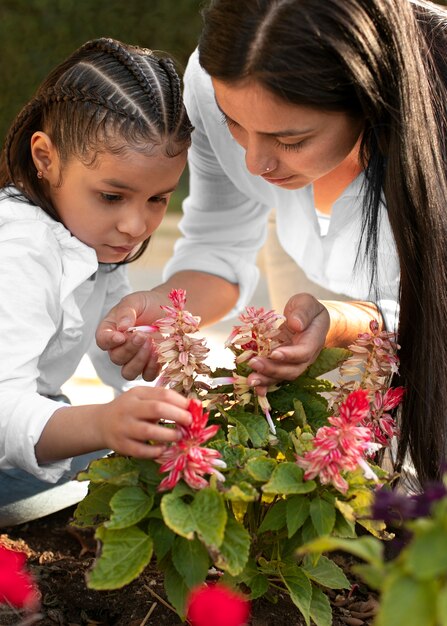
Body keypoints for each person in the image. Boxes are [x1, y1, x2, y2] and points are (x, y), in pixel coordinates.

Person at [96, 0, 447, 490]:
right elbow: (219, 241)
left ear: (370, 100)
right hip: (310, 286)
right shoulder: (223, 80)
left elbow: (433, 312)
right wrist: (167, 309)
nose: (255, 162)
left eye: (291, 139)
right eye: (233, 123)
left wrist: (341, 322)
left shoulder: (438, 113)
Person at [0, 37, 195, 526]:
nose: (135, 225)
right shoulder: (20, 249)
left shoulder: (90, 237)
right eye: (112, 196)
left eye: (157, 199)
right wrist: (104, 424)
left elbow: (114, 361)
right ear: (45, 158)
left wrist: (140, 350)